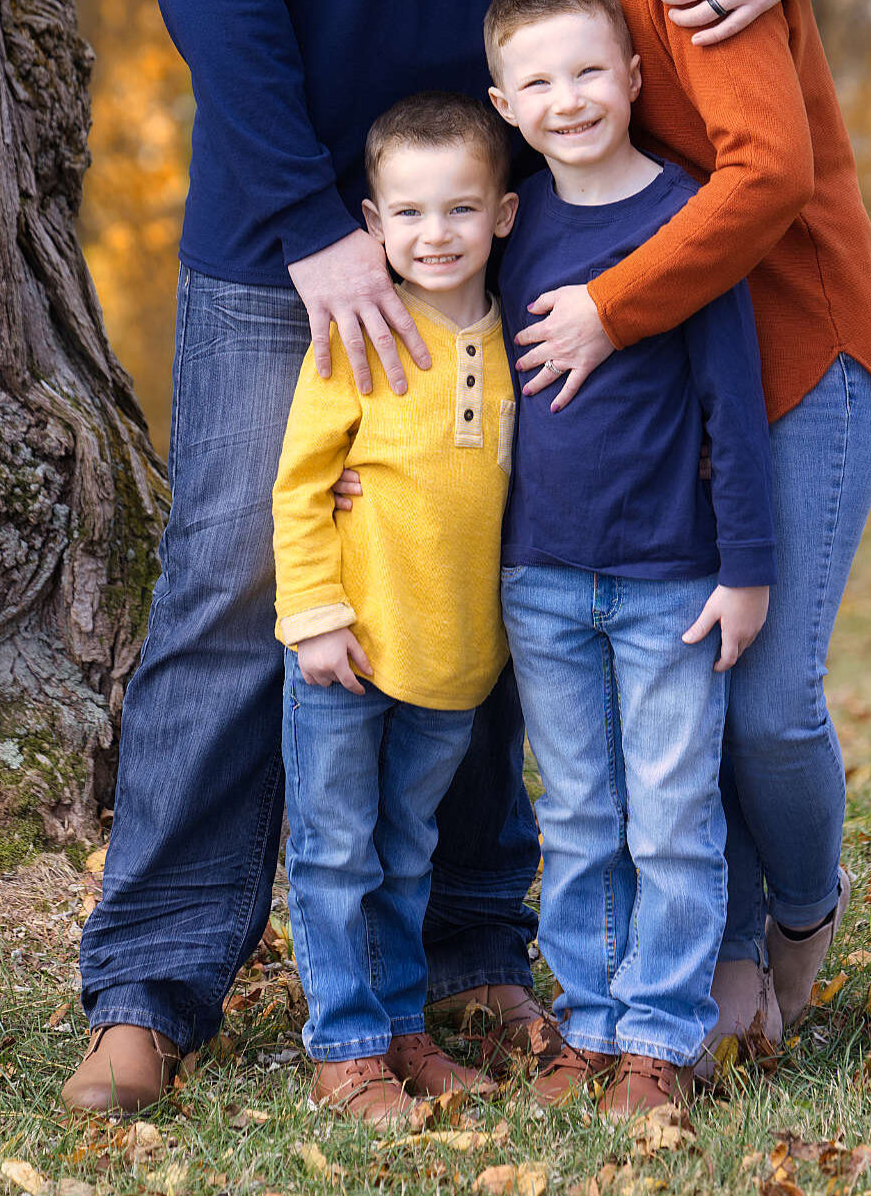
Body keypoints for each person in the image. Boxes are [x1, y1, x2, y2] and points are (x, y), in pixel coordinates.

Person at [66, 0, 859, 1113]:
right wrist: (307, 228)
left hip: (524, 243)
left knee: (504, 589)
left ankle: (476, 954)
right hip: (301, 252)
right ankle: (154, 981)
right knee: (232, 594)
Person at [502, 0, 871, 1061]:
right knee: (691, 670)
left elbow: (765, 180)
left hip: (800, 352)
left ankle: (798, 905)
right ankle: (725, 949)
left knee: (761, 702)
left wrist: (611, 307)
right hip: (690, 364)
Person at [485, 0, 778, 1122]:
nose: (569, 98)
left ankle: (661, 1034)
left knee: (669, 813)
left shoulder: (683, 217)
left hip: (670, 580)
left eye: (591, 71)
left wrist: (744, 571)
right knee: (576, 813)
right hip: (539, 577)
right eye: (539, 81)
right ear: (505, 102)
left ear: (636, 78)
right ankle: (590, 1024)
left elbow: (733, 411)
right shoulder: (511, 224)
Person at [274, 93, 517, 1130]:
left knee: (407, 849)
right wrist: (316, 613)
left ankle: (400, 1021)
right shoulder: (359, 334)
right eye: (409, 213)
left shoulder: (518, 336)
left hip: (453, 656)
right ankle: (345, 1046)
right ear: (372, 222)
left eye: (459, 209)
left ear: (503, 213)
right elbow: (299, 485)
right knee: (335, 849)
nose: (435, 234)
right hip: (347, 646)